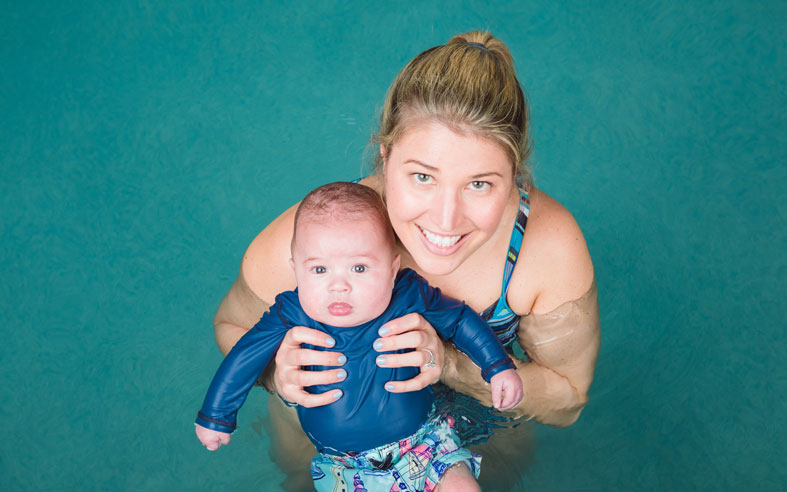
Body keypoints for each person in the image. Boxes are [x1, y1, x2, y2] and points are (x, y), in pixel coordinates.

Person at [212, 30, 600, 491]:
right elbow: (231, 327)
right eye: (422, 176)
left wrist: (454, 367)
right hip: (330, 434)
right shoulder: (319, 240)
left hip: (479, 424)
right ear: (385, 156)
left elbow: (568, 401)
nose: (445, 219)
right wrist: (277, 372)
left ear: (515, 175)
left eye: (480, 184)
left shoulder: (545, 248)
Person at [197, 182, 523, 491]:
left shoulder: (407, 294)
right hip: (346, 467)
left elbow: (460, 320)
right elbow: (244, 358)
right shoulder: (291, 313)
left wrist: (497, 366)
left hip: (427, 440)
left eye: (360, 268)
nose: (340, 285)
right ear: (296, 269)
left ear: (393, 268)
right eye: (320, 270)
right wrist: (217, 415)